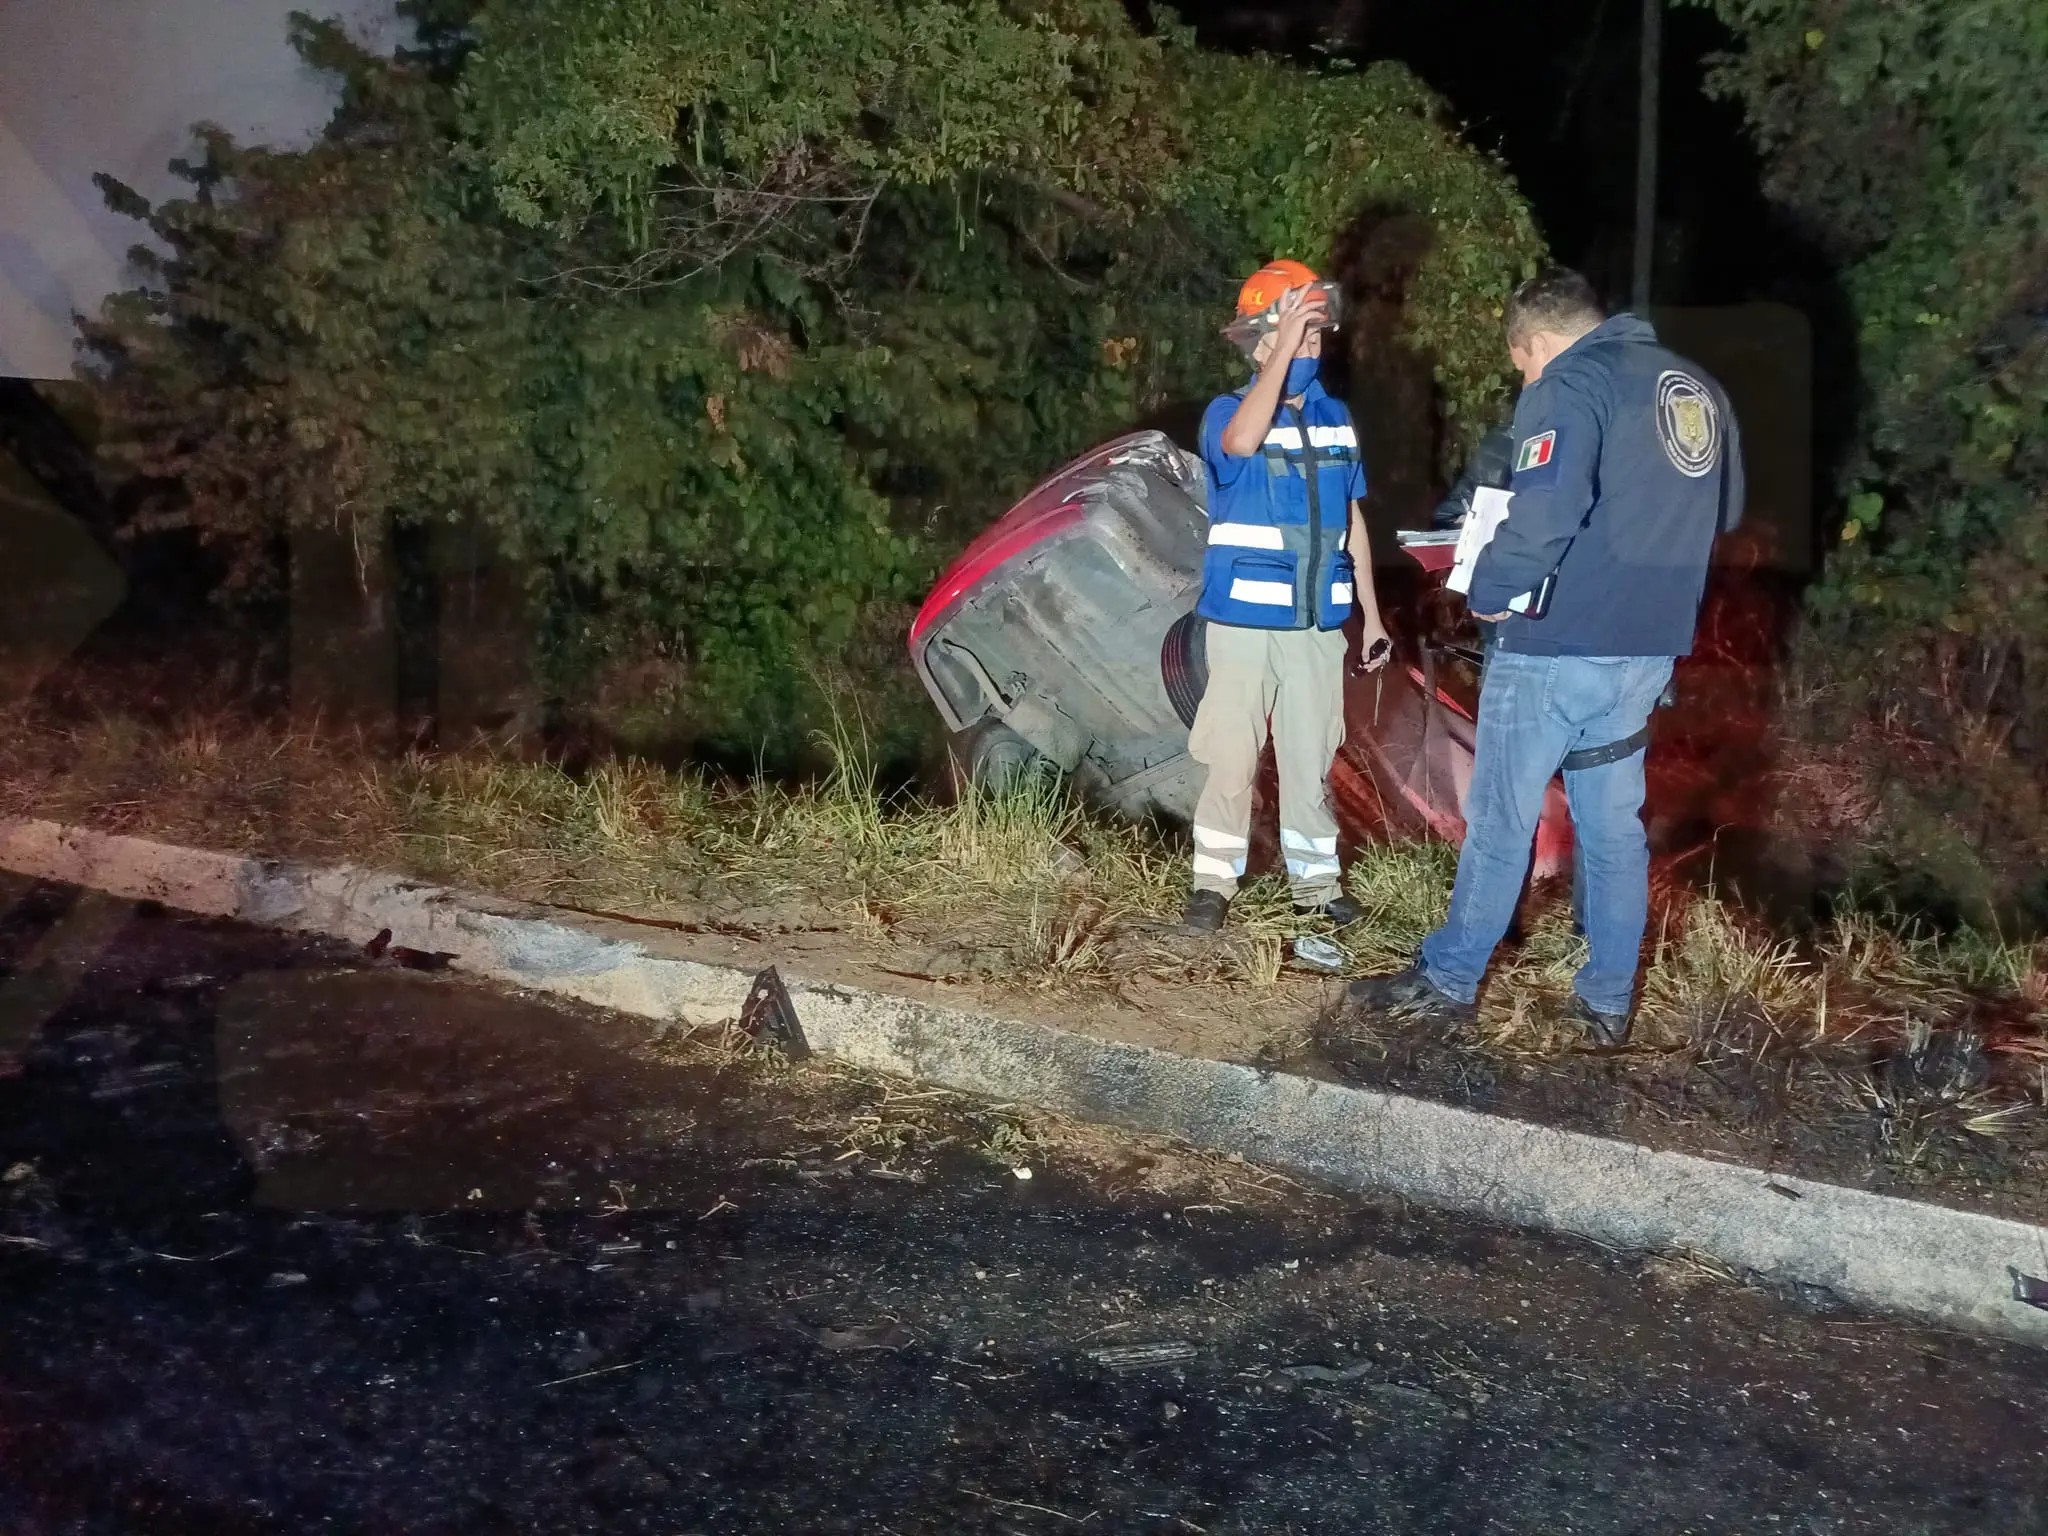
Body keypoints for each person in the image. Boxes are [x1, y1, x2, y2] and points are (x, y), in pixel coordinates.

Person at [1343, 269, 1743, 1043]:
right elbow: (1721, 510)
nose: (1524, 377)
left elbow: (1545, 512)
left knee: (1499, 816)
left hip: (1557, 643)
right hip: (1646, 651)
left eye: (1520, 361)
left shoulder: (1568, 384)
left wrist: (1490, 585)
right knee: (1612, 827)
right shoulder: (1695, 389)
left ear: (1536, 341)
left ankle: (1450, 979)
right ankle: (1606, 1004)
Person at [1182, 260, 1393, 934]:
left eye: (1315, 337)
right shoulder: (1227, 413)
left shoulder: (1336, 419)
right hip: (1244, 623)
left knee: (1311, 760)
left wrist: (1372, 616)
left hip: (1315, 626)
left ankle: (1316, 889)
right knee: (1232, 758)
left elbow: (1352, 519)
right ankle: (1212, 886)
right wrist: (1279, 356)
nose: (1309, 349)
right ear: (1259, 342)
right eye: (1296, 335)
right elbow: (1241, 441)